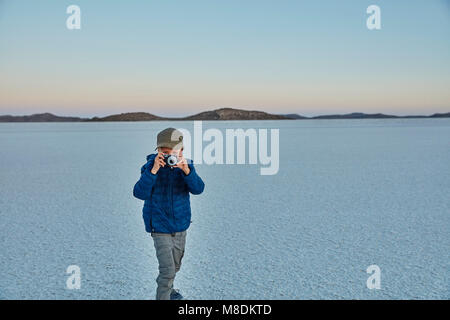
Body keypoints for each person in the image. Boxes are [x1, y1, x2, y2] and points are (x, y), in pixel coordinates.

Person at [133, 127, 205, 300]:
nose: (168, 155)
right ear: (157, 150)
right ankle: (165, 292)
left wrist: (187, 171)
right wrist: (153, 170)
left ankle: (168, 289)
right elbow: (139, 193)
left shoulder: (187, 167)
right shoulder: (150, 168)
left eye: (172, 151)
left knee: (175, 266)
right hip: (159, 225)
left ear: (181, 151)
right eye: (164, 151)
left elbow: (198, 189)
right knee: (167, 270)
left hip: (180, 225)